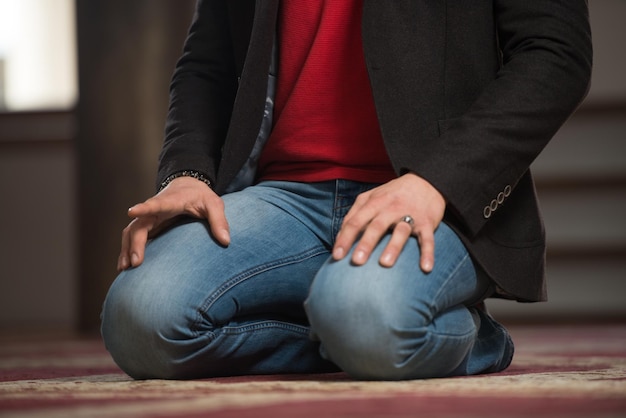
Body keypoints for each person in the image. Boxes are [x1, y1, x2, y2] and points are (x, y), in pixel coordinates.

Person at [101, 0, 592, 380]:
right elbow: (208, 57)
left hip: (428, 196)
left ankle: (467, 339)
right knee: (138, 321)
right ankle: (349, 327)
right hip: (282, 197)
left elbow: (555, 54)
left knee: (366, 321)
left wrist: (438, 180)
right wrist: (186, 171)